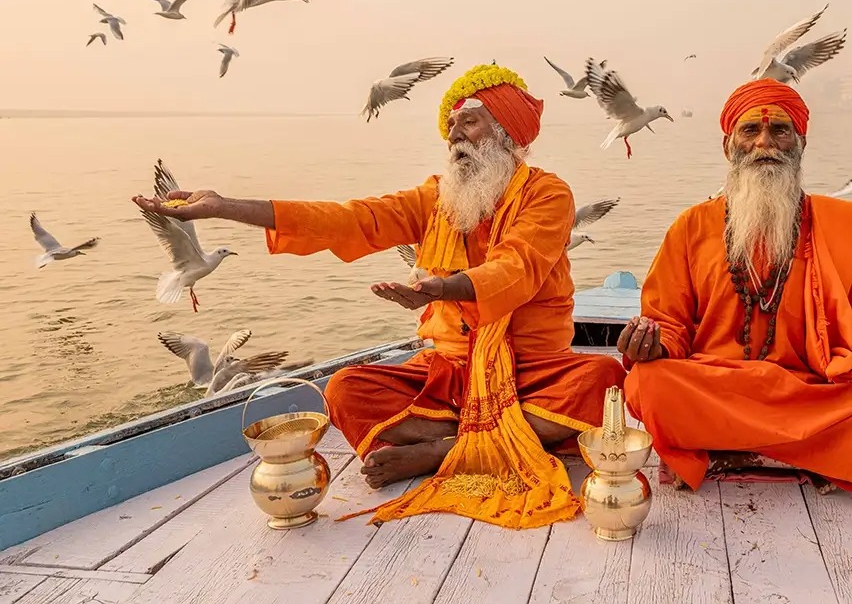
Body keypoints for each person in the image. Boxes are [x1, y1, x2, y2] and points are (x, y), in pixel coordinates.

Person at [134, 63, 624, 528]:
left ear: (507, 132)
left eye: (468, 123)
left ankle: (443, 452)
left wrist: (447, 289)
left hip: (530, 368)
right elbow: (350, 219)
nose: (454, 136)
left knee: (604, 381)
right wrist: (225, 208)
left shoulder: (548, 194)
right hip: (450, 371)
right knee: (345, 389)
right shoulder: (436, 198)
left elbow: (519, 266)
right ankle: (488, 441)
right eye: (450, 126)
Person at [617, 79, 852, 504]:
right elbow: (669, 322)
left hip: (808, 394)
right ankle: (809, 454)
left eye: (779, 131)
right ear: (728, 146)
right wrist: (653, 345)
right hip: (717, 386)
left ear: (800, 144)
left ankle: (732, 447)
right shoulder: (692, 227)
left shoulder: (836, 230)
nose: (764, 143)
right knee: (646, 384)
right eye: (750, 131)